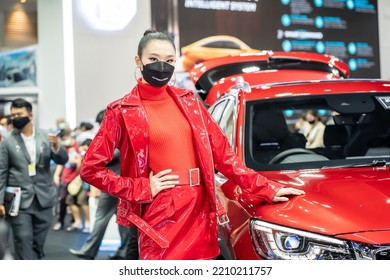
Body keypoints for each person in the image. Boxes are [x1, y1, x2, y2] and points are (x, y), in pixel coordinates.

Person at [80, 29, 305, 260]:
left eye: (169, 60)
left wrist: (267, 188)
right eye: (153, 59)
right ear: (138, 61)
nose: (161, 66)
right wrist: (141, 188)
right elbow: (90, 169)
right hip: (161, 212)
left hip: (201, 209)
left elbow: (225, 157)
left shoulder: (190, 103)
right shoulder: (120, 111)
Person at [0, 98, 68, 259]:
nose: (15, 117)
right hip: (17, 199)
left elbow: (62, 160)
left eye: (19, 114)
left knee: (38, 241)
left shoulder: (46, 136)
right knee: (23, 238)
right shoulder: (7, 141)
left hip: (44, 197)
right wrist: (0, 200)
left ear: (30, 115)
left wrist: (57, 147)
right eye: (13, 114)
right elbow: (1, 171)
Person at [69, 110, 138, 260]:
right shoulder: (120, 134)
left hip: (115, 184)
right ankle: (122, 252)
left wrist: (94, 153)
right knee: (122, 220)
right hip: (119, 184)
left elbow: (109, 157)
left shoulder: (117, 135)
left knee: (103, 217)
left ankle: (90, 250)